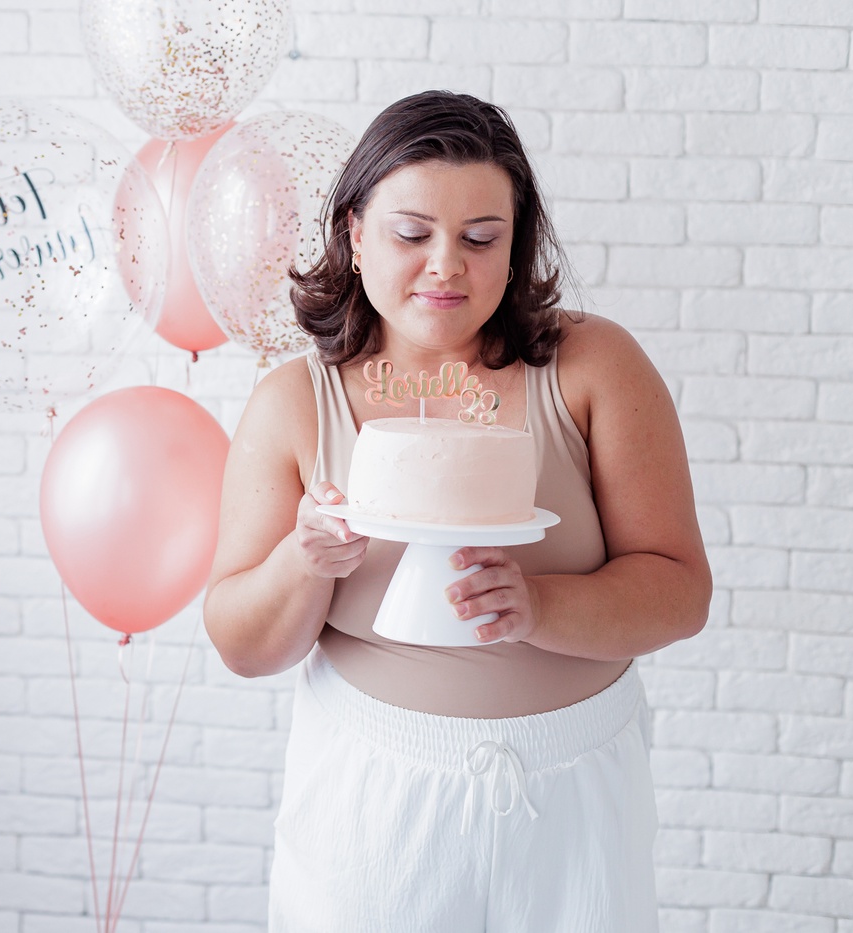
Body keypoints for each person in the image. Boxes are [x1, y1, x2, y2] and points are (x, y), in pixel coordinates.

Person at [202, 90, 711, 932]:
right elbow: (240, 644)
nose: (446, 266)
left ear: (515, 247)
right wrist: (304, 560)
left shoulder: (594, 367)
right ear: (355, 234)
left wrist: (537, 605)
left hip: (575, 791)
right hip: (372, 797)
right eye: (412, 234)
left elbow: (681, 592)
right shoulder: (294, 403)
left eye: (480, 239)